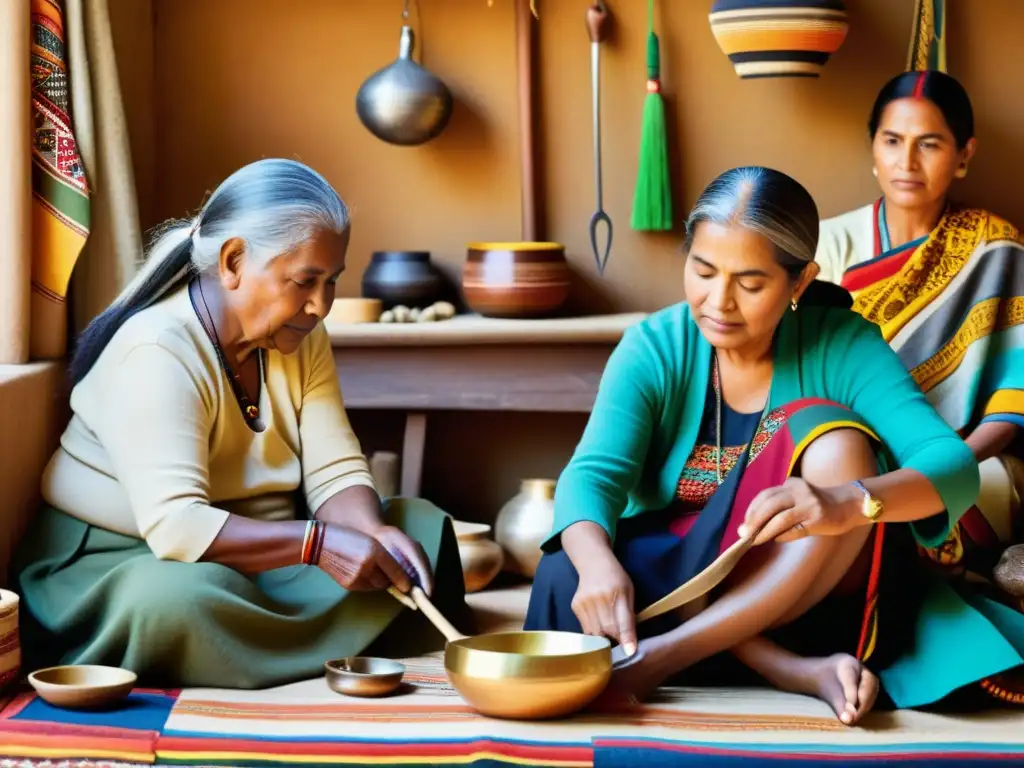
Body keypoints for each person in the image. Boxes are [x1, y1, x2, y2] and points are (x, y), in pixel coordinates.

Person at [525, 166, 1024, 725]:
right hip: (681, 585)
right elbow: (592, 475)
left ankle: (662, 659)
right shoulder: (655, 345)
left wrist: (849, 501)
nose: (719, 301)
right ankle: (789, 670)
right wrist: (596, 567)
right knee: (567, 570)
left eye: (750, 282)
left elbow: (951, 466)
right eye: (703, 270)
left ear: (800, 281)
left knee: (834, 437)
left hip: (803, 594)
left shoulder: (841, 343)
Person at [12, 158, 467, 689]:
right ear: (233, 261)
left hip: (263, 556)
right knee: (177, 603)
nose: (321, 305)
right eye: (304, 281)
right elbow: (178, 529)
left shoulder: (301, 334)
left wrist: (370, 532)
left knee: (420, 529)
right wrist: (319, 547)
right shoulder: (157, 348)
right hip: (128, 561)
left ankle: (267, 648)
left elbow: (336, 470)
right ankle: (312, 642)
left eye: (332, 281)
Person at [815, 71, 1024, 704]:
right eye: (891, 140)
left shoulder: (997, 250)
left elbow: (1012, 407)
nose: (907, 161)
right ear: (871, 147)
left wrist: (944, 464)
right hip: (847, 451)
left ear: (964, 155)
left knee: (901, 501)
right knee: (836, 484)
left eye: (929, 143)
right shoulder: (825, 245)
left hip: (972, 460)